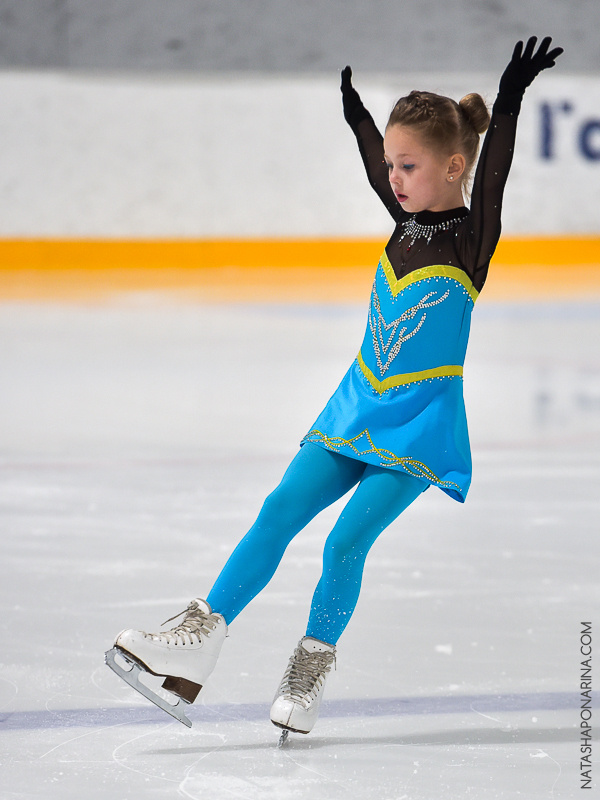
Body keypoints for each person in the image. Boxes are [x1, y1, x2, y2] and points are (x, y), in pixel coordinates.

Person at [105, 36, 563, 737]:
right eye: (391, 165)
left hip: (419, 423)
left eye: (408, 166)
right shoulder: (403, 226)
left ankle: (309, 670)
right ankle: (198, 641)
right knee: (278, 508)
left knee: (344, 543)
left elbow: (497, 173)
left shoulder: (471, 242)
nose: (396, 178)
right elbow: (374, 162)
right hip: (356, 403)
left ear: (454, 166)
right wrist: (357, 118)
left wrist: (511, 97)